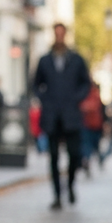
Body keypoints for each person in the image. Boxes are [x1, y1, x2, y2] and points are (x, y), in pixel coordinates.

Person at [33, 22, 91, 209]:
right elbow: (35, 84)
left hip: (71, 115)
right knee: (54, 157)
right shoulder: (44, 60)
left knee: (75, 154)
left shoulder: (76, 59)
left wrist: (77, 98)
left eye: (61, 33)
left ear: (65, 35)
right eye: (56, 33)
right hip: (51, 116)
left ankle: (71, 184)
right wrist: (45, 99)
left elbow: (86, 83)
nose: (59, 37)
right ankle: (57, 195)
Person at [79, 80, 105, 174]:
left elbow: (97, 108)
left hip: (95, 125)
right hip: (87, 125)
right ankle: (87, 160)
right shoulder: (86, 94)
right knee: (87, 145)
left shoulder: (93, 94)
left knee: (95, 145)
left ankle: (98, 159)